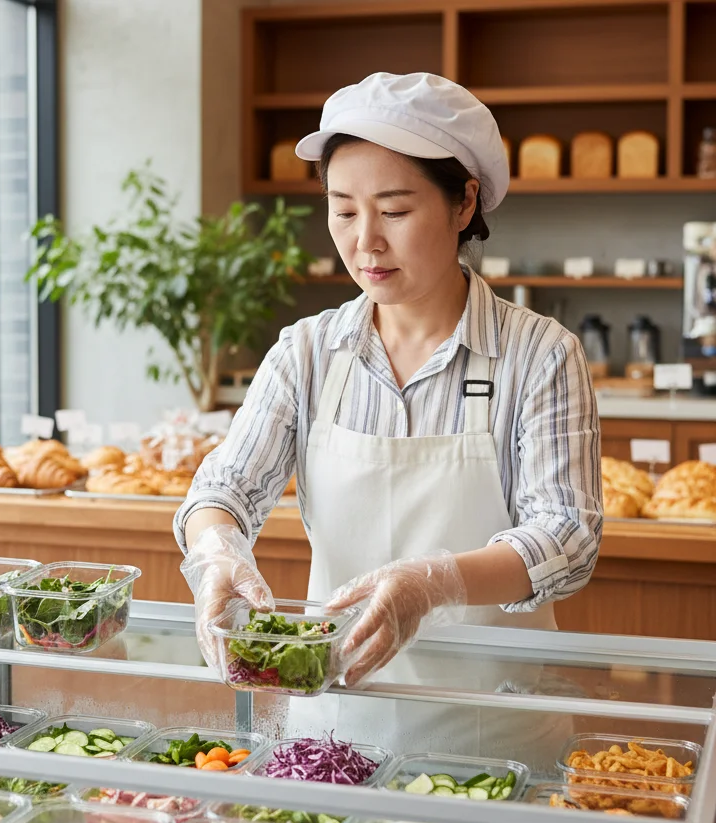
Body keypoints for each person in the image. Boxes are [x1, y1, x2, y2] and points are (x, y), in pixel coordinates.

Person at [174, 73, 602, 749]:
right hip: (336, 726)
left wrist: (431, 584)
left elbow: (567, 539)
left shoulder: (541, 355)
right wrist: (217, 550)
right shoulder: (308, 352)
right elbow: (221, 489)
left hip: (497, 735)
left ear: (464, 203)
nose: (365, 241)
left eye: (395, 211)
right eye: (343, 211)